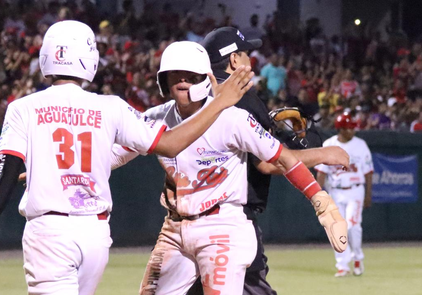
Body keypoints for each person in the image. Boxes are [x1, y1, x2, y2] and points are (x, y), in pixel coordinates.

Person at [0, 20, 255, 295]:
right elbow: (169, 143)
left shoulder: (23, 107)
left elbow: (5, 174)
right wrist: (220, 104)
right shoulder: (111, 107)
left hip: (49, 232)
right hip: (95, 232)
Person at [111, 40, 348, 294]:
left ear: (206, 78)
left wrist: (322, 203)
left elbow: (281, 158)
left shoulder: (234, 118)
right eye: (174, 74)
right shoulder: (156, 117)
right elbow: (112, 157)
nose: (182, 80)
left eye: (191, 75)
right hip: (174, 229)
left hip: (222, 226)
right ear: (163, 81)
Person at [315, 112, 374, 277]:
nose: (353, 130)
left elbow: (369, 172)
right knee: (336, 228)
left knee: (352, 225)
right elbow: (321, 173)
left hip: (355, 190)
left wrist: (368, 194)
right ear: (340, 129)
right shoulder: (329, 144)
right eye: (349, 127)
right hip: (335, 191)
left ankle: (357, 258)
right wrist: (317, 195)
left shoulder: (360, 145)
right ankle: (342, 265)